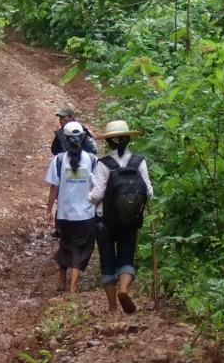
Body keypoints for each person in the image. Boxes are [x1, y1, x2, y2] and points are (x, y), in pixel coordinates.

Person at [90, 120, 154, 314]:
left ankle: (112, 308)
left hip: (105, 220)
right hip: (130, 220)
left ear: (109, 142)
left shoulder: (103, 164)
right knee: (127, 257)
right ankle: (124, 289)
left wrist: (88, 196)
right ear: (127, 140)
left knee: (107, 261)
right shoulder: (139, 161)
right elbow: (149, 192)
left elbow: (98, 195)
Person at [45, 121, 98, 293]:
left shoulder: (58, 161)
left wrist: (49, 210)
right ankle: (73, 287)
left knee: (66, 245)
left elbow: (54, 188)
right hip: (86, 214)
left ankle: (61, 281)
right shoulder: (92, 160)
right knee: (81, 249)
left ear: (66, 140)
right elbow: (98, 186)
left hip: (65, 215)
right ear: (82, 139)